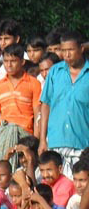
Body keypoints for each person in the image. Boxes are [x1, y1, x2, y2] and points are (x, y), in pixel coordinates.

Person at [39, 31, 89, 177]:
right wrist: (43, 139)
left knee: (81, 189)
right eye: (64, 50)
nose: (67, 55)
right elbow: (45, 104)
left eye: (71, 50)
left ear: (81, 48)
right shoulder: (55, 71)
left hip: (83, 143)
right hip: (55, 141)